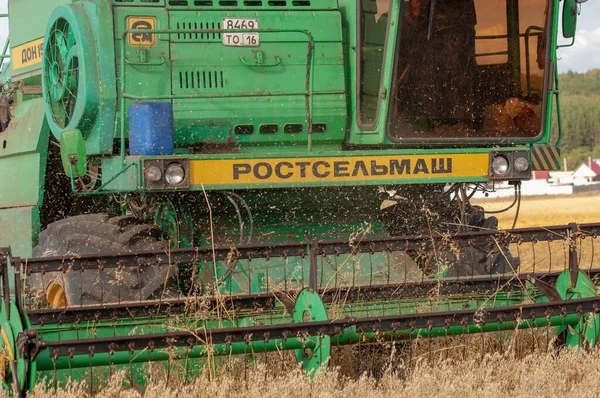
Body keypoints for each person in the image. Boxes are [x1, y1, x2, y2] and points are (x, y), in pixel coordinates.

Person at [395, 0, 477, 133]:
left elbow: (465, 37)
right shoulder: (398, 17)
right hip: (414, 65)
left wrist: (455, 41)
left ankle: (459, 123)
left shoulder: (446, 12)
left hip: (445, 61)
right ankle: (433, 122)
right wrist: (415, 16)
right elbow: (404, 47)